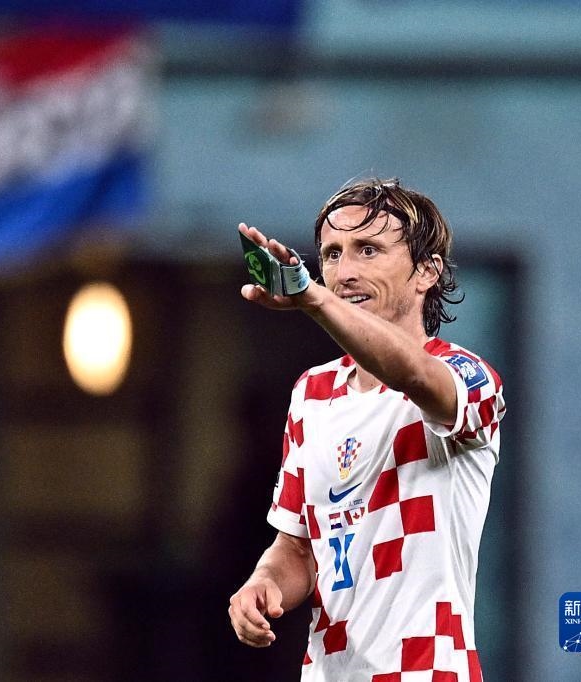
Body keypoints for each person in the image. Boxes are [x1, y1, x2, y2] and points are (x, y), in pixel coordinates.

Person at [228, 178, 505, 681]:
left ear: (427, 272)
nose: (344, 272)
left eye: (368, 250)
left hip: (426, 670)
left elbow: (413, 374)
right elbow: (298, 546)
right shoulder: (312, 394)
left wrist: (314, 300)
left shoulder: (467, 377)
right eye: (331, 254)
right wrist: (263, 583)